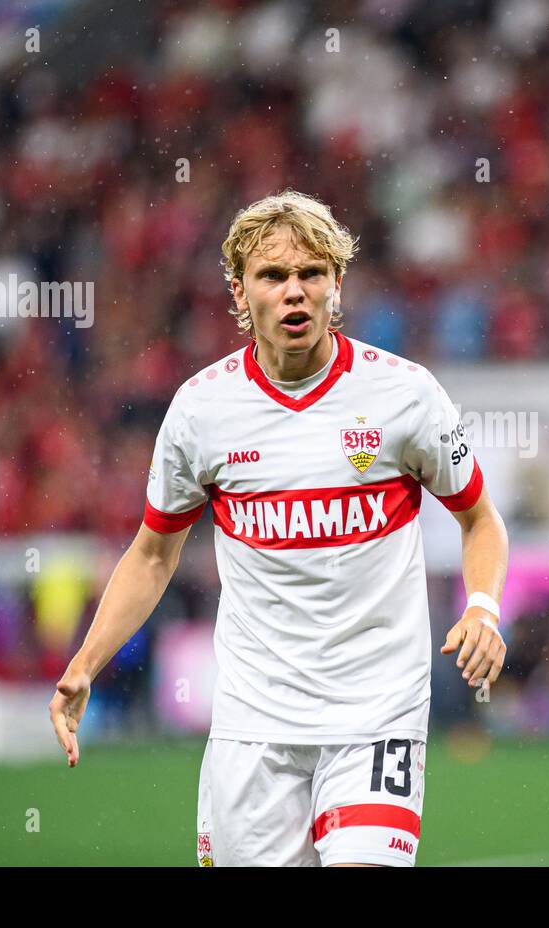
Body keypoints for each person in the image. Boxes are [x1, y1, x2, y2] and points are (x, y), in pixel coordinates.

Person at [49, 189, 509, 866]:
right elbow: (152, 555)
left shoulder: (406, 397)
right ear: (239, 291)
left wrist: (484, 609)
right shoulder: (202, 412)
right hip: (253, 722)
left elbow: (480, 521)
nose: (294, 292)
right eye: (273, 276)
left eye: (311, 274)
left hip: (375, 711)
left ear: (337, 285)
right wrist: (85, 664)